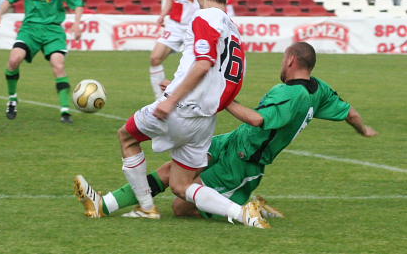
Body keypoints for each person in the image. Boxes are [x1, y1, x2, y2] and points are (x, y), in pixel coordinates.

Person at [74, 42, 378, 227]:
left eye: (282, 59)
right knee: (171, 171)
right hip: (233, 141)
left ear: (290, 61)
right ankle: (104, 204)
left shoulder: (291, 95)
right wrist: (363, 129)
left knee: (181, 207)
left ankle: (246, 207)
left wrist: (221, 99)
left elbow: (260, 120)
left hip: (245, 160)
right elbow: (350, 112)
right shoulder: (319, 90)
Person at [96, 0, 245, 222]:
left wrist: (173, 99)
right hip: (205, 118)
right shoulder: (234, 29)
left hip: (181, 109)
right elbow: (227, 78)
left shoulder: (204, 17)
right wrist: (178, 85)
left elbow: (203, 63)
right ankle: (241, 213)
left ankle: (146, 207)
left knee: (127, 137)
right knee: (181, 184)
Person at [0, 0, 84, 123]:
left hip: (53, 30)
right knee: (13, 60)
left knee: (58, 65)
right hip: (30, 29)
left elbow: (77, 3)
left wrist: (77, 24)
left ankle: (65, 111)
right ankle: (12, 99)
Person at [149, 0, 203, 98]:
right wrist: (162, 15)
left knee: (191, 69)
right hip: (174, 25)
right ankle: (159, 98)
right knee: (155, 58)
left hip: (193, 29)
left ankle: (188, 98)